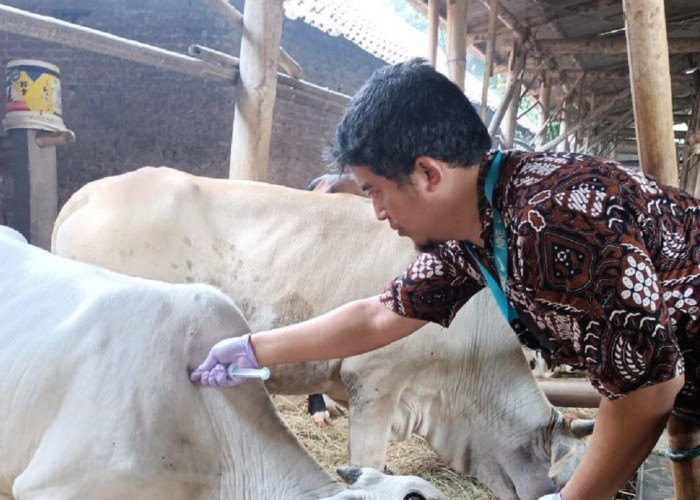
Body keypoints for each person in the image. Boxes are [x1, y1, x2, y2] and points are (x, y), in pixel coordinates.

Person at [190, 58, 699, 499]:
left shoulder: (552, 222)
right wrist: (253, 349)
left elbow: (649, 389)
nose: (376, 212)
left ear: (428, 174)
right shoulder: (482, 229)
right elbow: (380, 315)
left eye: (375, 191)